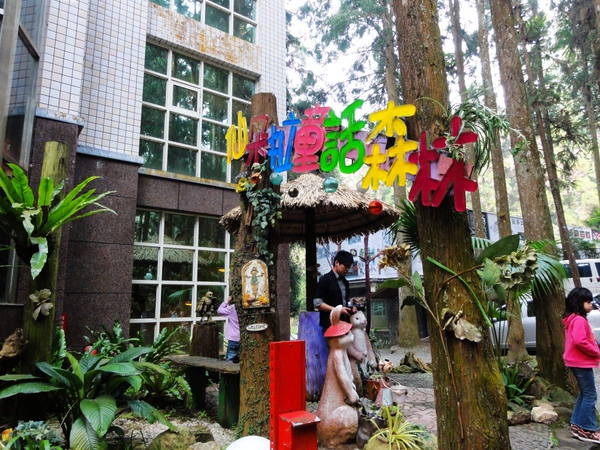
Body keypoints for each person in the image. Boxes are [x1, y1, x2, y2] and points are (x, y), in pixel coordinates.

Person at [563, 287, 600, 443]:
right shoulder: (578, 320)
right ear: (579, 302)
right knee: (590, 394)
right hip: (580, 362)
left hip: (576, 361)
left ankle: (577, 424)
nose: (591, 305)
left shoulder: (573, 319)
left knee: (585, 393)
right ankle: (587, 429)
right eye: (588, 302)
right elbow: (580, 341)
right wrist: (596, 351)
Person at [314, 250, 357, 333]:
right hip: (330, 326)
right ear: (337, 263)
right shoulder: (325, 279)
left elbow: (344, 302)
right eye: (345, 266)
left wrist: (352, 308)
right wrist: (338, 310)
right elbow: (317, 303)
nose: (347, 269)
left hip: (344, 325)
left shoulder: (345, 282)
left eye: (349, 267)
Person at [218, 296, 240, 363]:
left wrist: (226, 302)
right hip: (245, 337)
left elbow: (219, 311)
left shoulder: (232, 308)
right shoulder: (248, 308)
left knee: (230, 361)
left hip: (234, 339)